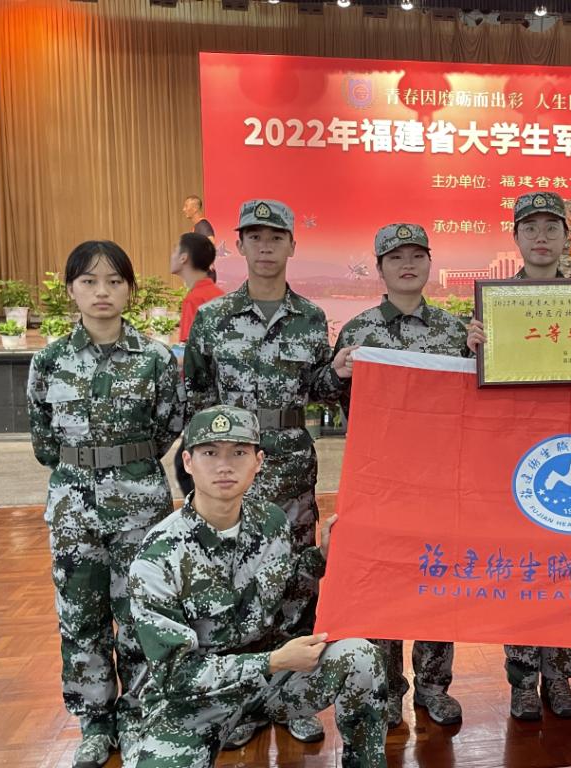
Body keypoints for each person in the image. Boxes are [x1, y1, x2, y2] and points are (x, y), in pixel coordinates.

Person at [125, 405, 386, 768]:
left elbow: (285, 585)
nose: (224, 466)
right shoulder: (158, 556)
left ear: (258, 462)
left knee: (360, 657)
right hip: (195, 700)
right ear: (187, 462)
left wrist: (323, 557)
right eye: (210, 453)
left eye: (238, 452)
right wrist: (273, 661)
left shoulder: (270, 521)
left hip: (270, 681)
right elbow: (176, 675)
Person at [466, 191, 571, 721]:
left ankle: (560, 677)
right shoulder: (494, 305)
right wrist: (470, 348)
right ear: (515, 237)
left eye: (551, 228)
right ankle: (522, 681)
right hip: (514, 457)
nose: (541, 237)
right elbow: (467, 391)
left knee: (568, 567)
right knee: (521, 568)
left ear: (568, 236)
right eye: (530, 228)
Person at [183, 199, 349, 745]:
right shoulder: (214, 318)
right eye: (254, 237)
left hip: (293, 465)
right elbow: (196, 399)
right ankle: (242, 702)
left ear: (292, 245)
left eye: (276, 237)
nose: (265, 246)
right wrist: (201, 473)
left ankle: (294, 698)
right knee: (234, 582)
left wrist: (338, 372)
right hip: (232, 471)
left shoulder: (311, 317)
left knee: (298, 580)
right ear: (239, 246)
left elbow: (319, 390)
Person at [26, 240, 184, 768]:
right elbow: (44, 442)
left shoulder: (155, 358)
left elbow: (169, 426)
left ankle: (138, 715)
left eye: (114, 281)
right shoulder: (50, 360)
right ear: (71, 289)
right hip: (73, 509)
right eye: (89, 281)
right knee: (81, 616)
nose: (102, 292)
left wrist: (126, 465)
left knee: (140, 611)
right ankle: (95, 721)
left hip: (140, 508)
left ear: (130, 290)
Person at [331, 223, 467, 729]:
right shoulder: (358, 331)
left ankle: (433, 687)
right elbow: (333, 397)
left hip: (441, 480)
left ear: (429, 263)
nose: (407, 265)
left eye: (416, 256)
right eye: (395, 258)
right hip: (380, 482)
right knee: (384, 584)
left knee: (437, 580)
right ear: (380, 268)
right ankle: (387, 691)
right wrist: (336, 372)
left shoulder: (457, 332)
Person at [170, 232, 224, 496]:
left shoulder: (195, 299)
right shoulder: (218, 294)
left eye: (174, 250)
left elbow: (191, 356)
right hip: (221, 395)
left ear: (184, 257)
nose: (171, 256)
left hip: (203, 399)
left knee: (187, 467)